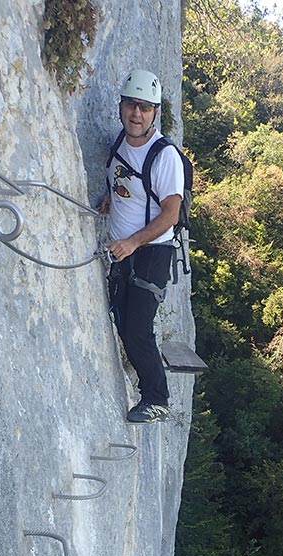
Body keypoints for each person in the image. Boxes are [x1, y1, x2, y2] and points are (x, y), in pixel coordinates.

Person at [99, 69, 184, 423]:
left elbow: (171, 215)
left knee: (137, 327)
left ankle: (157, 398)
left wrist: (133, 242)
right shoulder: (121, 142)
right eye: (132, 105)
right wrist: (110, 198)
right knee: (122, 318)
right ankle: (145, 375)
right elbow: (128, 185)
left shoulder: (165, 157)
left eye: (145, 108)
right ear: (121, 106)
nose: (137, 113)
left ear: (154, 114)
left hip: (150, 254)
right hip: (126, 250)